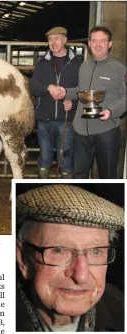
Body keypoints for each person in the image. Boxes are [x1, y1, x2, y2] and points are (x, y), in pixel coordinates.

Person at [16, 184, 124, 332]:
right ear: (23, 259)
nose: (81, 276)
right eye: (59, 250)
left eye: (96, 252)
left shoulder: (120, 308)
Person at [61, 26, 126, 178]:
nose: (98, 44)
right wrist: (66, 94)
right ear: (89, 43)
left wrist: (111, 111)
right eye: (94, 41)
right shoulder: (84, 67)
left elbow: (125, 96)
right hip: (81, 130)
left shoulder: (119, 69)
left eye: (102, 41)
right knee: (79, 174)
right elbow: (82, 91)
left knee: (108, 174)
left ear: (110, 44)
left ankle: (108, 202)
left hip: (106, 131)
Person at [29, 27, 82, 179]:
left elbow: (83, 90)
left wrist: (73, 103)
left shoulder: (77, 64)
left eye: (57, 38)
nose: (53, 42)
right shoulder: (42, 62)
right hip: (44, 118)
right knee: (44, 157)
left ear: (65, 40)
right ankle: (42, 185)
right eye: (50, 39)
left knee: (65, 157)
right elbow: (33, 86)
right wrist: (48, 87)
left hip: (66, 119)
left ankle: (67, 188)